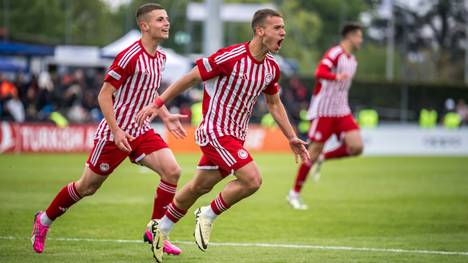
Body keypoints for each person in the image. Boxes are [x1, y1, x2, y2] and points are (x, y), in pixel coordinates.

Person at [136, 8, 310, 263]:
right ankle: (207, 214)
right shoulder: (230, 57)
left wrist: (291, 136)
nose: (283, 32)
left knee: (199, 186)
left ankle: (159, 230)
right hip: (215, 131)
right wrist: (158, 102)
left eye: (284, 28)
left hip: (235, 136)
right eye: (277, 28)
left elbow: (274, 104)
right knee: (252, 179)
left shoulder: (272, 67)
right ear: (260, 31)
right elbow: (190, 78)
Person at [31, 3, 186, 257]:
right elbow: (105, 96)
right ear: (144, 26)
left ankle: (156, 231)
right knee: (87, 187)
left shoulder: (161, 58)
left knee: (172, 171)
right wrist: (115, 130)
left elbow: (149, 91)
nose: (166, 23)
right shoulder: (129, 55)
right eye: (160, 20)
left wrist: (166, 115)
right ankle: (44, 221)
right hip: (115, 132)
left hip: (141, 130)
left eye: (167, 19)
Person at [287, 22, 364, 210]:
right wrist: (335, 77)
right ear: (350, 36)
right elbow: (319, 72)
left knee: (357, 147)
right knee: (312, 153)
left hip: (342, 110)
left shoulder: (353, 61)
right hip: (324, 111)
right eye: (359, 36)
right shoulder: (335, 53)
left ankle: (324, 158)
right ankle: (294, 194)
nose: (361, 40)